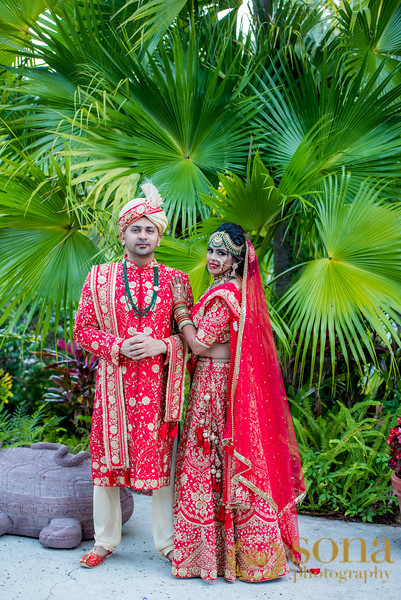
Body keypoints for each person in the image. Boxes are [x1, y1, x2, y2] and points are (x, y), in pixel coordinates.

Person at [169, 223, 305, 582]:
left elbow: (199, 343)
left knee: (206, 460)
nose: (213, 258)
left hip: (213, 386)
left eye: (221, 253)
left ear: (235, 259)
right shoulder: (237, 291)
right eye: (211, 250)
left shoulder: (222, 295)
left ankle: (209, 559)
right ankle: (240, 557)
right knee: (220, 463)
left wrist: (180, 310)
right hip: (224, 383)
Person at [74, 183, 192, 568]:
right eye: (136, 229)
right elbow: (82, 330)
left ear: (159, 234)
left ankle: (169, 544)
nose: (143, 236)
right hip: (114, 389)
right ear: (122, 234)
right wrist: (117, 346)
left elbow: (191, 336)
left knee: (163, 465)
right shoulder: (98, 279)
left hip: (159, 390)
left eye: (150, 229)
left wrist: (164, 346)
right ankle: (105, 541)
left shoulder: (178, 281)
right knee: (107, 464)